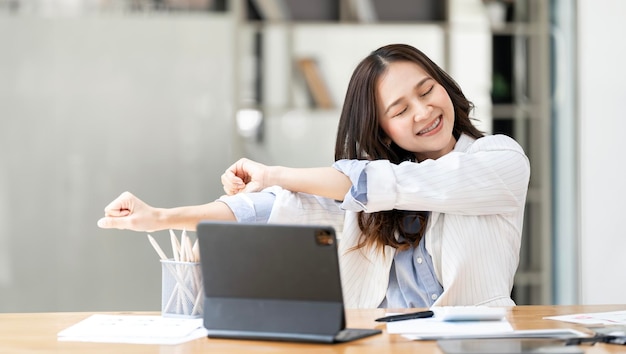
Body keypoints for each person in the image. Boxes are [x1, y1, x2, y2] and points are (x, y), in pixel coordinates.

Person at [98, 43, 530, 309]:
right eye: (399, 110)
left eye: (427, 90)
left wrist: (275, 173)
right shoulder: (368, 195)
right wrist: (161, 217)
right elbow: (271, 207)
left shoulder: (500, 158)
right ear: (382, 128)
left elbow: (397, 183)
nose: (424, 112)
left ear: (444, 84)